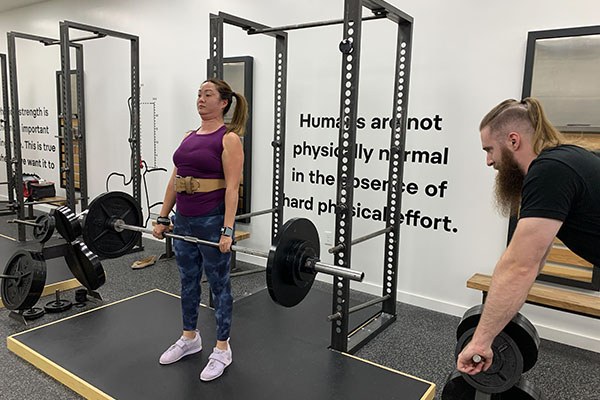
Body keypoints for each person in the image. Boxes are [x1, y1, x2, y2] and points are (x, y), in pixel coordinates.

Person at [457, 97, 600, 375]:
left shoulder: (550, 171)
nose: (488, 161)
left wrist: (481, 342)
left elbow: (518, 267)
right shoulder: (564, 158)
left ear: (513, 140)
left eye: (489, 150)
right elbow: (534, 258)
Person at [152, 78, 247, 382]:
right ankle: (190, 338)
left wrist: (228, 229)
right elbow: (174, 180)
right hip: (184, 219)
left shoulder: (228, 138)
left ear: (223, 103)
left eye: (208, 95)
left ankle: (222, 348)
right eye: (199, 94)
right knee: (188, 282)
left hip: (210, 219)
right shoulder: (189, 136)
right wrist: (164, 217)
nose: (201, 99)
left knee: (219, 285)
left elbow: (232, 188)